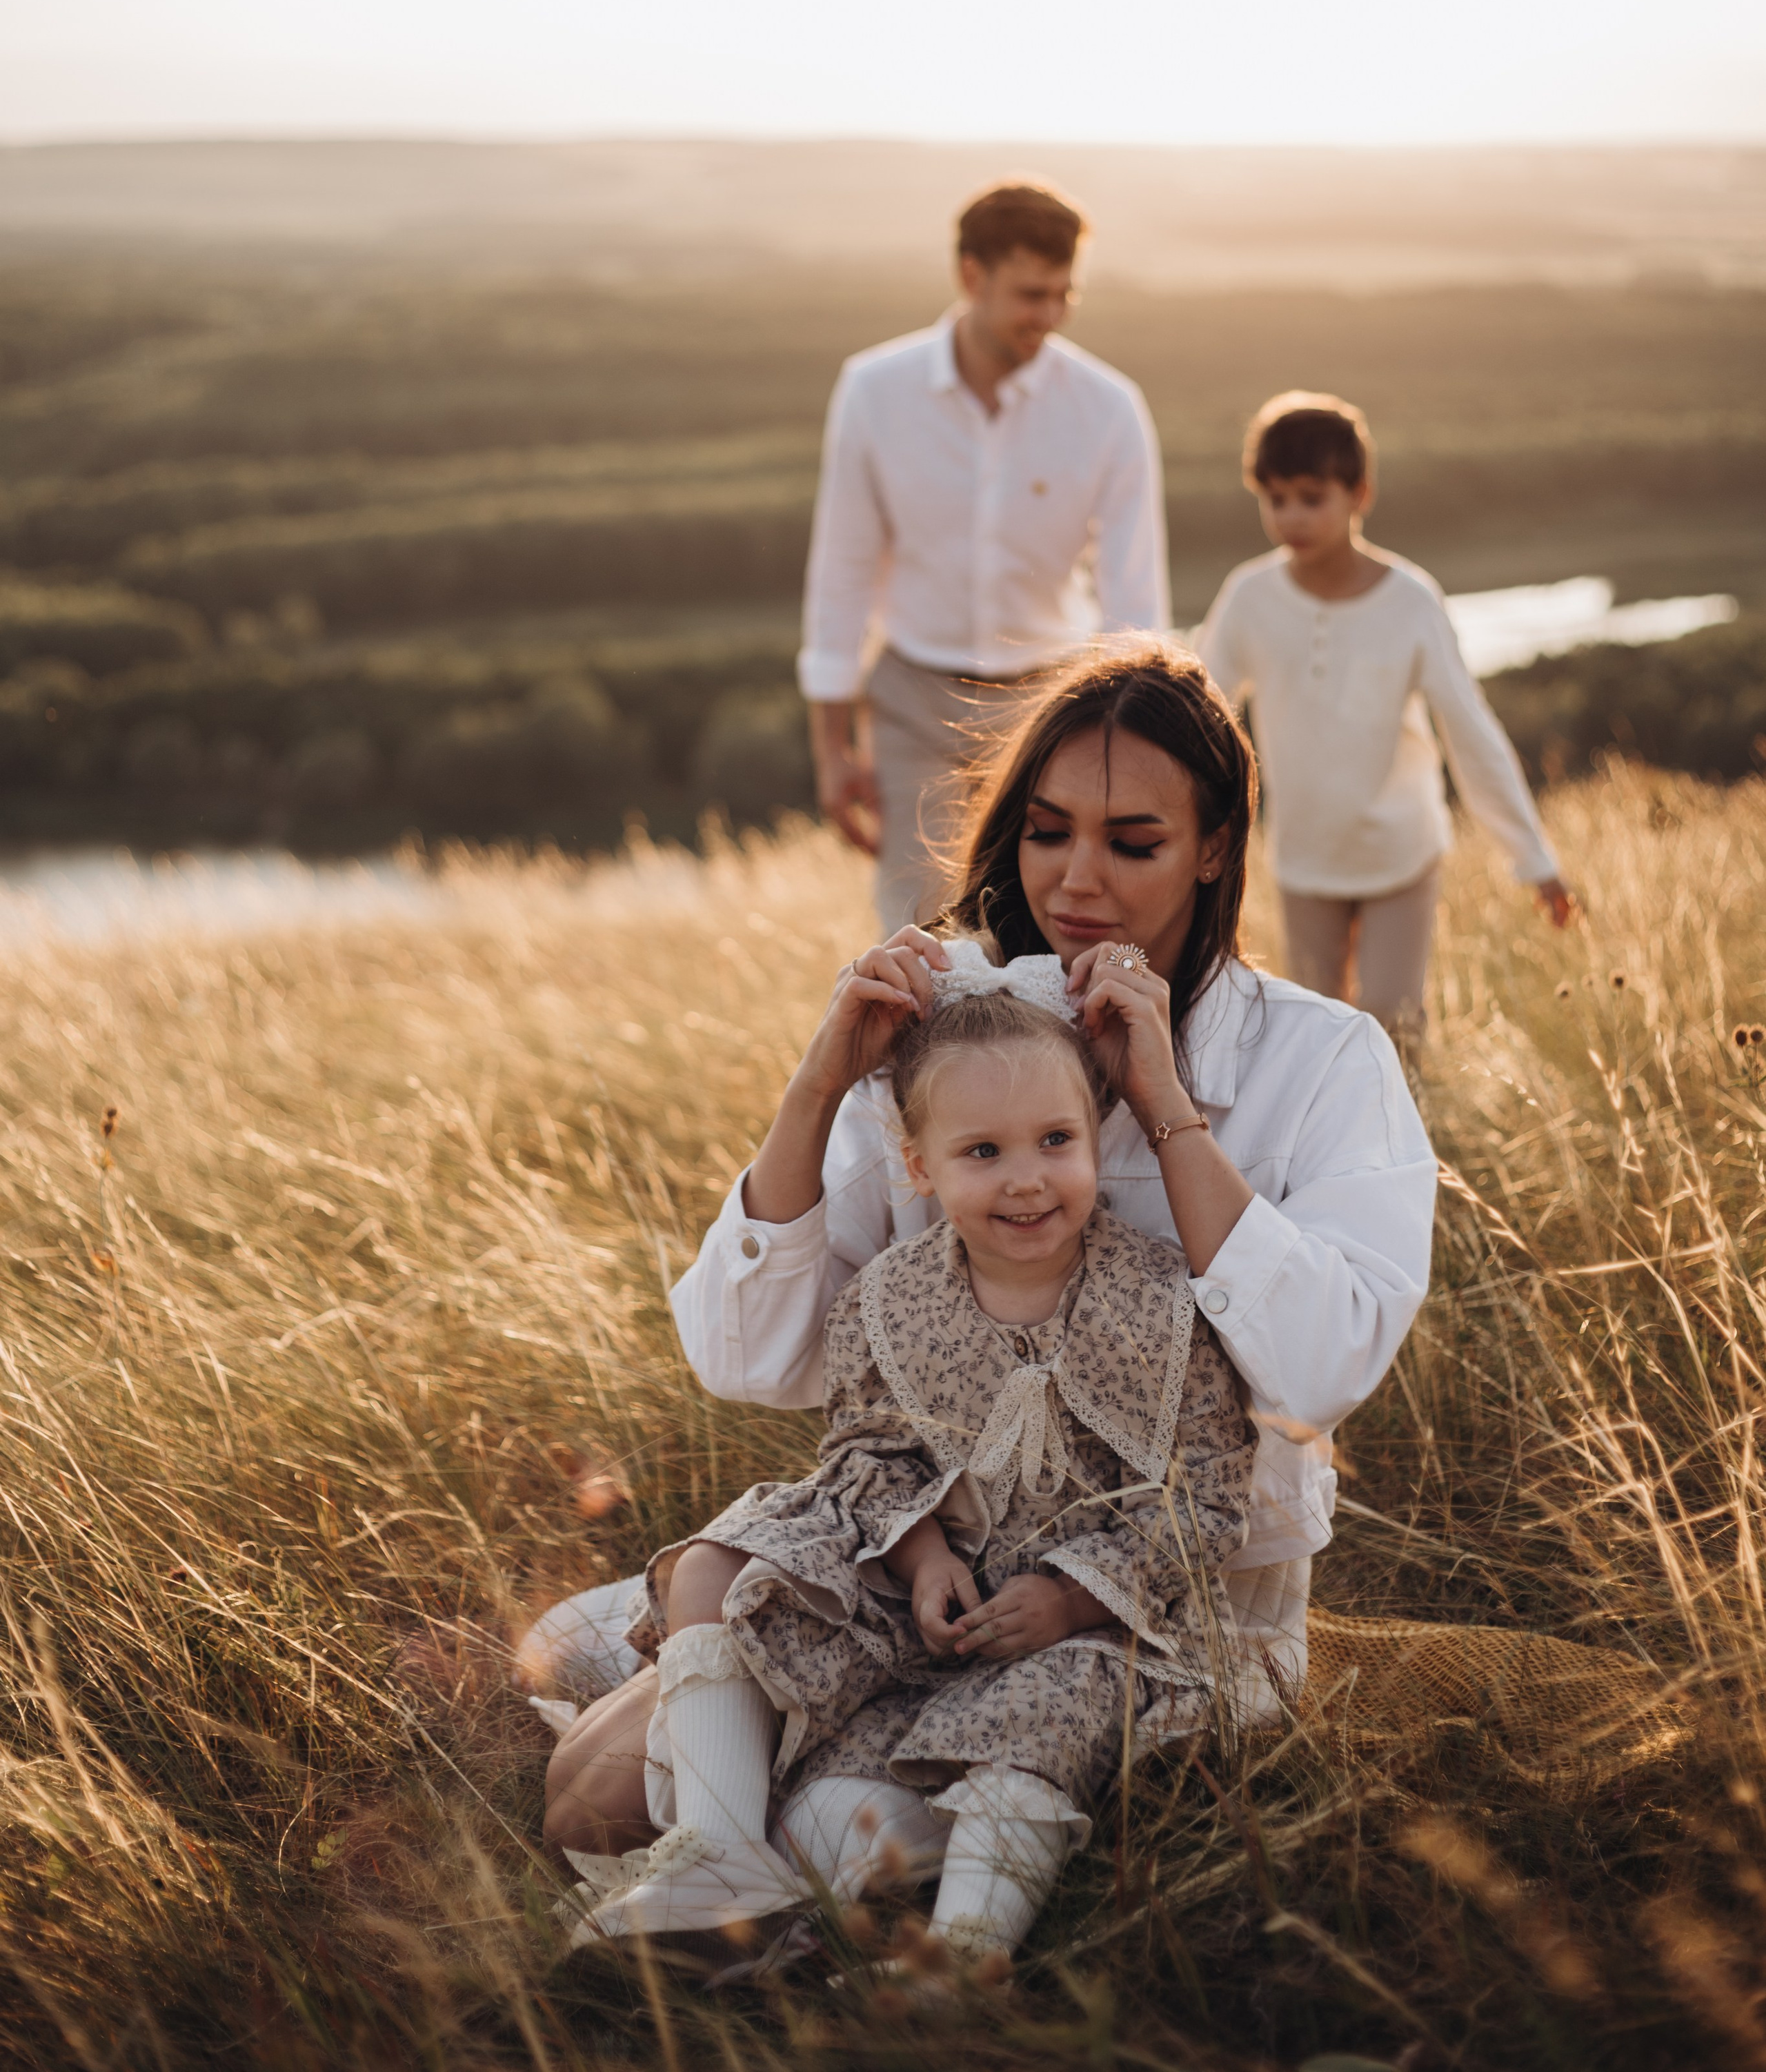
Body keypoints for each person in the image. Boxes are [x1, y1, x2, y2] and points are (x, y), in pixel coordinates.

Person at [539, 641, 1440, 1893]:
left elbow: (1320, 1368)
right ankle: (733, 1801)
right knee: (575, 1725)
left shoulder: (1324, 1061)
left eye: (1134, 842)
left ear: (1217, 848)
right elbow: (753, 1361)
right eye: (1046, 830)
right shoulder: (946, 1033)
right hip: (917, 1581)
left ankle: (784, 1834)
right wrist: (824, 1078)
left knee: (818, 1839)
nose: (1078, 881)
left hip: (1152, 1617)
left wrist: (1163, 1101)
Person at [559, 969, 1253, 1959]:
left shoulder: (1159, 1305)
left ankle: (967, 1955)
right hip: (922, 1590)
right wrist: (924, 1557)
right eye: (983, 1151)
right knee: (718, 1565)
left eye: (1056, 1142)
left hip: (1082, 1624)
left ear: (1098, 1137)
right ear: (918, 1164)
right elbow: (868, 1455)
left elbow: (1208, 1499)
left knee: (1023, 1725)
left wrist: (1074, 1598)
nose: (1025, 1179)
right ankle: (714, 1851)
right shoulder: (889, 1299)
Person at [799, 179, 1169, 934]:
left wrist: (1136, 748)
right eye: (1031, 294)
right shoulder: (874, 392)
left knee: (1058, 926)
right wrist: (832, 747)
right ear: (971, 275)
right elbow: (841, 571)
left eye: (1064, 295)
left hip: (1053, 702)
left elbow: (1135, 600)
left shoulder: (1108, 407)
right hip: (912, 700)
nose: (1050, 316)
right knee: (920, 932)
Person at [1198, 392, 1571, 1032]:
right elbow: (1197, 718)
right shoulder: (1249, 598)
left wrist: (1535, 863)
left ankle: (1408, 1133)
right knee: (1313, 1029)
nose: (1291, 516)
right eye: (1275, 498)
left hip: (1401, 851)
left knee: (1393, 1023)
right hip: (1303, 856)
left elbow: (1471, 734)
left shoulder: (1410, 601)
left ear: (1359, 493)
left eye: (1312, 498)